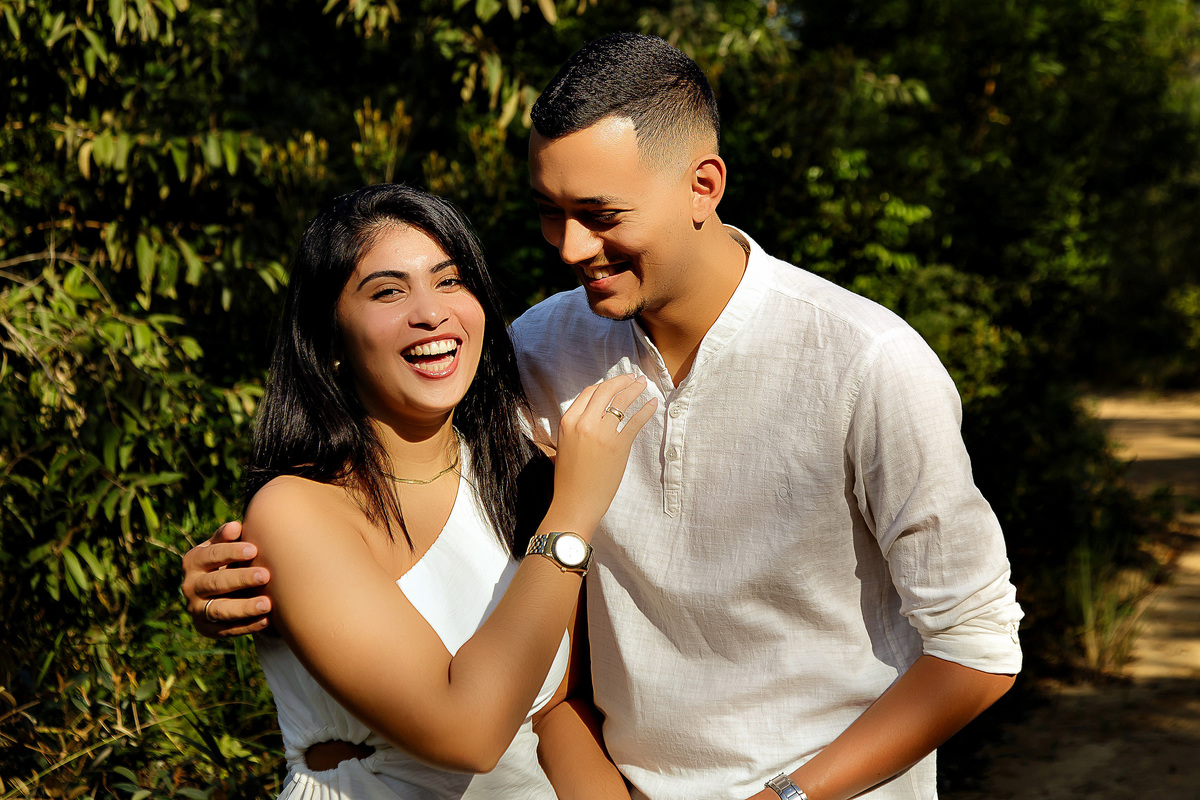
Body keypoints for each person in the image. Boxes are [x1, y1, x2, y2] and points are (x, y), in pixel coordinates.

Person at [183, 34, 1023, 800]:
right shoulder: (540, 347)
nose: (569, 247)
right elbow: (409, 496)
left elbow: (977, 647)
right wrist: (239, 575)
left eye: (600, 215)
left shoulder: (866, 361)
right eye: (550, 211)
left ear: (704, 185)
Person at [215, 182, 654, 798]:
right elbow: (466, 732)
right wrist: (575, 512)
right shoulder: (296, 510)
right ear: (330, 338)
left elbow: (556, 711)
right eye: (389, 291)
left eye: (449, 281)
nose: (432, 311)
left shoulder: (519, 474)